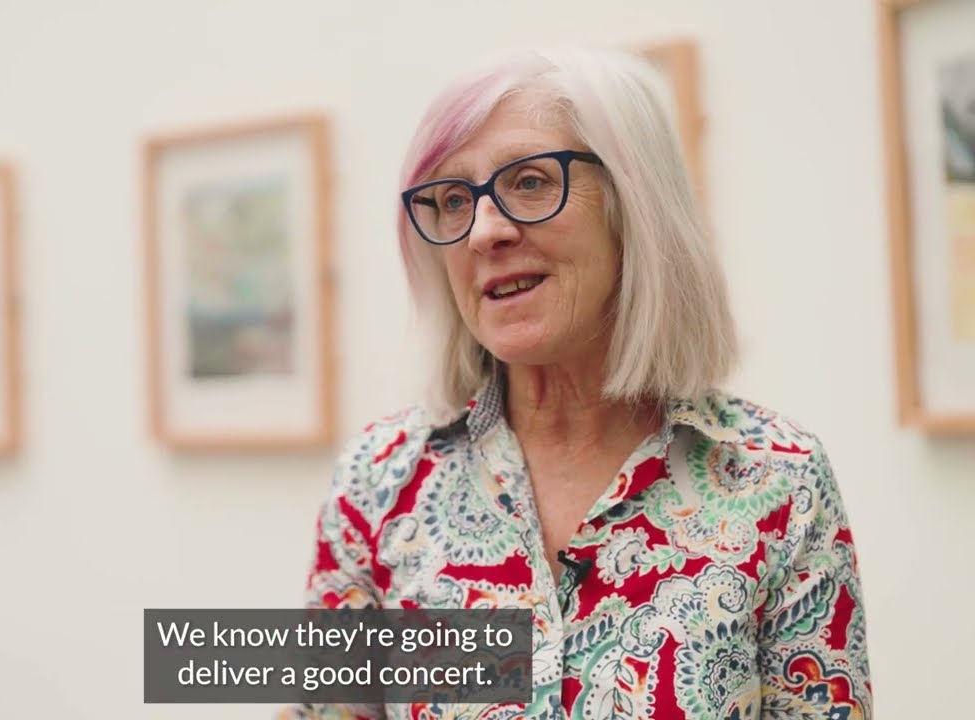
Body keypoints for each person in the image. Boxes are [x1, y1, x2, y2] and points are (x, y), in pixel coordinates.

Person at [285, 47, 872, 719]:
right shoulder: (379, 481)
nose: (483, 231)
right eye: (451, 200)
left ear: (634, 206)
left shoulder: (778, 481)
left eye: (530, 182)